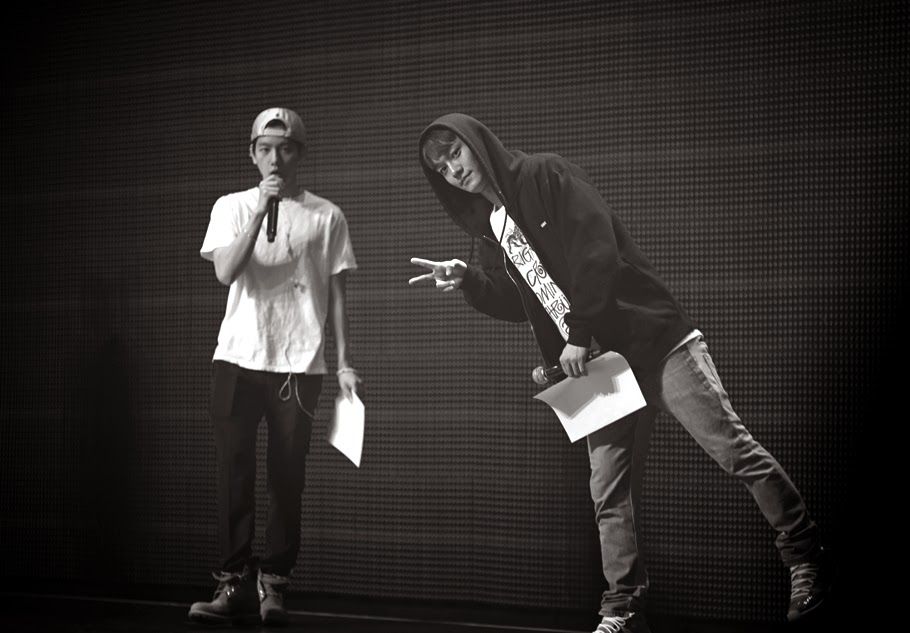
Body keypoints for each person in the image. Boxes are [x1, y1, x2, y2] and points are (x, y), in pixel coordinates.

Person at [409, 113, 830, 633]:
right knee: (608, 492)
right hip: (594, 368)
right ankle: (623, 608)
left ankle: (806, 556)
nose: (453, 171)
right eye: (441, 168)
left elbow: (596, 251)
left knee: (733, 451)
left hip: (652, 342)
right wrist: (470, 279)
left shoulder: (544, 174)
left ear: (477, 143)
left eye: (455, 154)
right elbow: (524, 302)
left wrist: (579, 331)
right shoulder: (490, 230)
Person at [190, 107, 360, 626]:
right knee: (233, 472)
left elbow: (337, 294)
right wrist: (261, 209)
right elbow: (225, 271)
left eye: (285, 149)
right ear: (252, 154)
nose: (275, 159)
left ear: (299, 154)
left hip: (299, 364)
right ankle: (233, 583)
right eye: (265, 149)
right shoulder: (231, 206)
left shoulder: (327, 216)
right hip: (237, 358)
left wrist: (344, 362)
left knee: (288, 476)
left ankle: (275, 585)